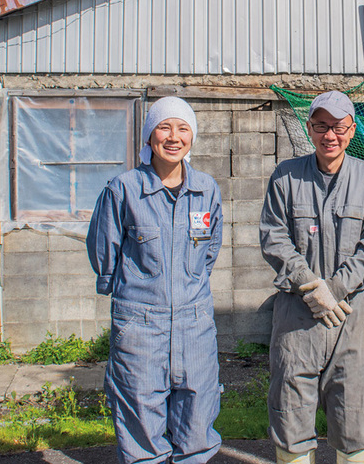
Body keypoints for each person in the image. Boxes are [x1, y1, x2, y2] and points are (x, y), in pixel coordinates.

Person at [87, 97, 223, 464]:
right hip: (141, 324)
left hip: (195, 323)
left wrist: (189, 283)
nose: (173, 137)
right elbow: (104, 247)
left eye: (183, 128)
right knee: (140, 410)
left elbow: (210, 249)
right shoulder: (124, 188)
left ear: (192, 137)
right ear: (149, 136)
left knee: (198, 410)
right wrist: (120, 287)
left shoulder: (206, 188)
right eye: (164, 127)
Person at [259, 90, 364, 464]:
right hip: (297, 314)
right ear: (309, 128)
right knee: (290, 411)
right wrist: (309, 285)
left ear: (352, 129)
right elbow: (273, 236)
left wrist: (333, 289)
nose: (329, 135)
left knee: (356, 412)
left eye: (338, 126)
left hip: (351, 314)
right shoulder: (285, 176)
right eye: (321, 126)